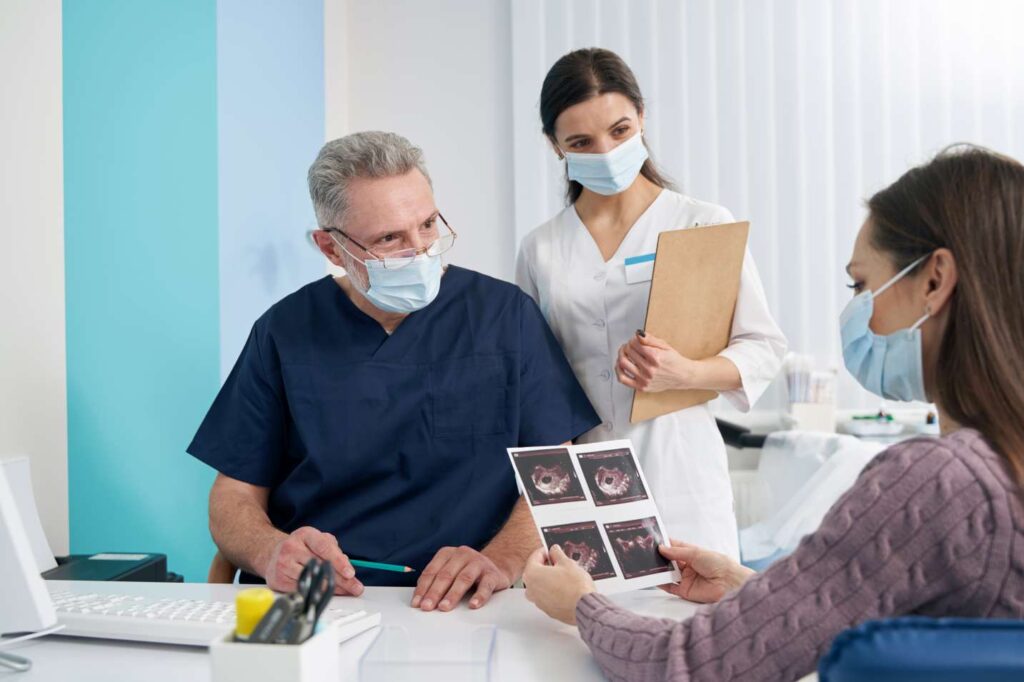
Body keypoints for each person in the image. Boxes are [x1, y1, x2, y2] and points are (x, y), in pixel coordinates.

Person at [522, 145, 1024, 680]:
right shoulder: (995, 472)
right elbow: (906, 631)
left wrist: (580, 605)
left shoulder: (936, 483)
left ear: (933, 280)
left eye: (861, 285)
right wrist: (757, 590)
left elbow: (690, 665)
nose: (854, 311)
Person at [188, 131, 600, 612]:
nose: (421, 251)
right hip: (327, 599)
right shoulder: (284, 332)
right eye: (389, 239)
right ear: (331, 248)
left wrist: (502, 560)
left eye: (427, 225)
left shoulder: (504, 317)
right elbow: (232, 495)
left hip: (475, 601)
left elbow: (558, 470)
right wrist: (270, 550)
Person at [516, 48, 786, 560]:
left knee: (694, 620)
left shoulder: (700, 223)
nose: (605, 151)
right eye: (581, 142)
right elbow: (530, 377)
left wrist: (684, 372)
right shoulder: (541, 248)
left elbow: (763, 346)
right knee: (583, 627)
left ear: (641, 116)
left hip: (680, 466)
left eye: (619, 131)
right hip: (579, 473)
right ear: (556, 146)